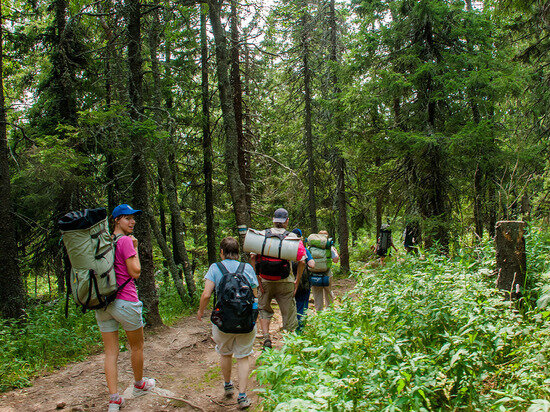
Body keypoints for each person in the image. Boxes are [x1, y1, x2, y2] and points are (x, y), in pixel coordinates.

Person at [95, 204, 155, 412]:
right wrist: (135, 248)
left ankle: (114, 399)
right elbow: (135, 272)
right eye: (127, 218)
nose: (132, 221)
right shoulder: (126, 242)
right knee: (137, 346)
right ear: (116, 220)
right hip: (126, 301)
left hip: (103, 303)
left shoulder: (104, 242)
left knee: (110, 352)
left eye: (133, 218)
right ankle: (139, 384)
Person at [197, 237, 258, 410]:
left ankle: (228, 385)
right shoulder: (246, 268)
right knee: (243, 356)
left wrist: (201, 311)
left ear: (222, 252)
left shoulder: (215, 268)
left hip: (223, 321)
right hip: (245, 321)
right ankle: (243, 395)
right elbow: (254, 295)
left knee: (225, 354)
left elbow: (207, 294)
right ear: (238, 252)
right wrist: (254, 317)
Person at [249, 208, 306, 349]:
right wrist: (297, 281)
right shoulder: (293, 237)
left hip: (265, 281)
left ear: (273, 220)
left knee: (264, 310)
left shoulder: (262, 235)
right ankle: (289, 343)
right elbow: (303, 261)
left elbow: (252, 257)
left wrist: (257, 279)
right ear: (287, 221)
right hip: (286, 281)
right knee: (288, 312)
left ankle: (267, 338)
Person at [309, 230, 340, 311]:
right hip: (327, 273)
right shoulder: (330, 247)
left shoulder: (311, 247)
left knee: (317, 294)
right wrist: (336, 252)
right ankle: (330, 312)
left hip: (314, 274)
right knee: (328, 292)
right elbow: (335, 260)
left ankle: (319, 312)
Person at [291, 228, 315, 331]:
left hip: (289, 281)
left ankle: (291, 326)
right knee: (303, 304)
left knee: (292, 304)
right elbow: (312, 264)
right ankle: (300, 327)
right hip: (303, 282)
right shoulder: (304, 250)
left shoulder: (285, 248)